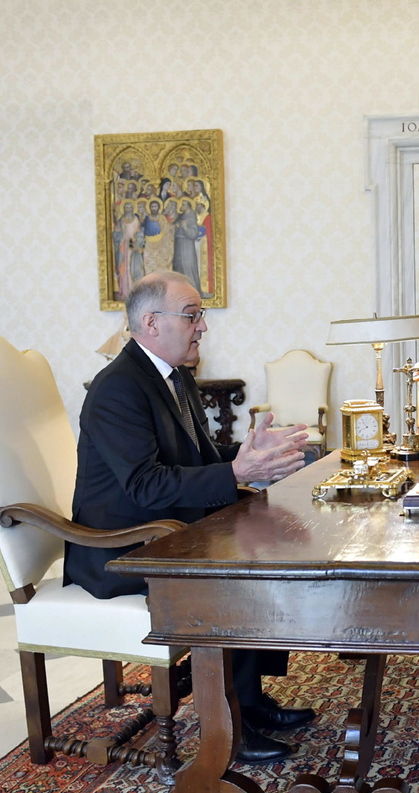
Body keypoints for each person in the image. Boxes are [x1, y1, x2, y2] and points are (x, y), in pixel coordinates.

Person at [66, 270, 315, 763]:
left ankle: (248, 701)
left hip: (166, 529)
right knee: (231, 573)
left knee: (263, 546)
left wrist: (247, 455)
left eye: (200, 315)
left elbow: (198, 458)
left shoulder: (175, 375)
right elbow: (145, 485)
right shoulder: (117, 389)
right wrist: (237, 472)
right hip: (120, 546)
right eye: (192, 315)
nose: (203, 326)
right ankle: (227, 728)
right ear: (151, 323)